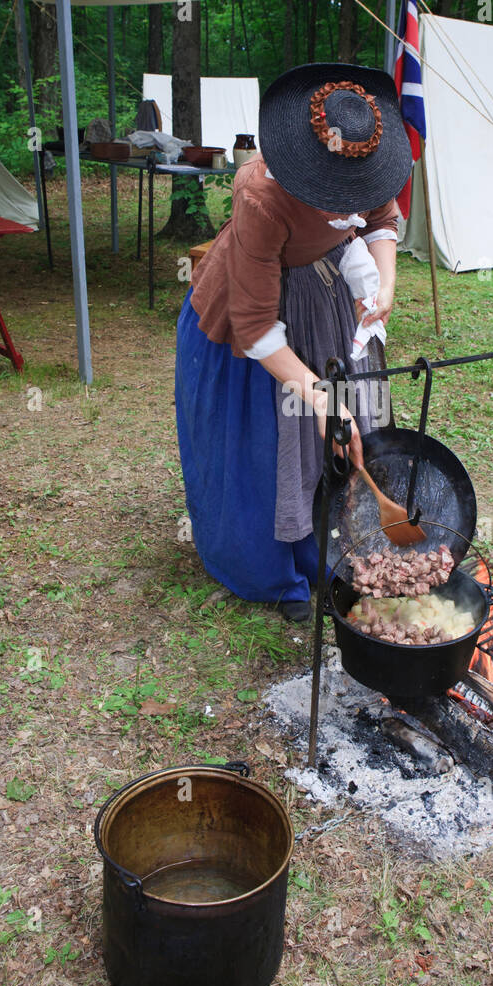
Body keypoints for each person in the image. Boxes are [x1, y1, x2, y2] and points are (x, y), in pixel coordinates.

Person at [175, 63, 413, 622]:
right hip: (250, 320)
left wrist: (384, 286)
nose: (345, 206)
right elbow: (256, 326)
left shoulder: (365, 161)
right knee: (273, 439)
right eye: (333, 197)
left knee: (335, 439)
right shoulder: (261, 196)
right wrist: (326, 401)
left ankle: (329, 552)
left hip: (325, 300)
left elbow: (380, 222)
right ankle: (274, 572)